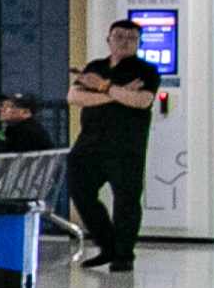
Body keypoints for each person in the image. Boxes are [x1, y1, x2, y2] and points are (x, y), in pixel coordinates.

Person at [62, 25, 160, 273]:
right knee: (80, 192)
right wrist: (117, 93)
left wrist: (104, 87)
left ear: (139, 42)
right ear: (109, 39)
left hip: (126, 147)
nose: (125, 42)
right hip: (89, 144)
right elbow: (74, 97)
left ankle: (123, 254)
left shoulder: (146, 71)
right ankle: (108, 246)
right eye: (119, 37)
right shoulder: (95, 66)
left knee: (126, 200)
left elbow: (141, 101)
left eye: (132, 38)